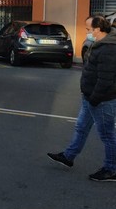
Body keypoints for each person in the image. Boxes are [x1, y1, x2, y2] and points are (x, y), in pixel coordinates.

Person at [47, 15, 116, 181]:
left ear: (98, 29)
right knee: (81, 127)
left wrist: (94, 98)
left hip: (101, 100)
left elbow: (105, 79)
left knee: (107, 136)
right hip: (90, 97)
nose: (87, 32)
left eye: (88, 29)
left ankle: (111, 169)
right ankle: (68, 156)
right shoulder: (99, 44)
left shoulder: (109, 48)